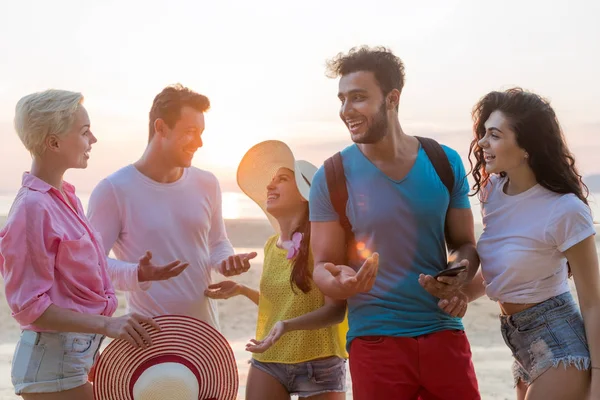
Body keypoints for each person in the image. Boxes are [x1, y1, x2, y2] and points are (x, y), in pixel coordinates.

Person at [308, 46, 481, 399]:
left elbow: (465, 244)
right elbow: (322, 265)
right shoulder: (332, 175)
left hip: (443, 331)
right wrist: (339, 282)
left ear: (392, 98)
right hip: (375, 340)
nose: (346, 111)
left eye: (358, 98)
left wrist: (456, 276)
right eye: (342, 99)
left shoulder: (443, 161)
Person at [0, 89, 188, 399]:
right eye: (85, 132)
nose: (94, 140)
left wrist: (139, 275)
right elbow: (31, 309)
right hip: (52, 366)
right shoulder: (32, 208)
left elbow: (77, 282)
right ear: (54, 142)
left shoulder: (67, 199)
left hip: (77, 357)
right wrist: (108, 325)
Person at [422, 88, 600, 400]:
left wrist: (598, 379)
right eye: (483, 133)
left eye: (494, 135)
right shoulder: (493, 192)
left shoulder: (566, 210)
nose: (482, 143)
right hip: (520, 346)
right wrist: (459, 293)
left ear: (526, 147)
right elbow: (502, 275)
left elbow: (593, 302)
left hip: (560, 345)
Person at [87, 84, 256, 331]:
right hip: (149, 337)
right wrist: (138, 273)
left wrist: (226, 261)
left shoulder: (207, 183)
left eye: (201, 132)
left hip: (205, 334)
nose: (199, 142)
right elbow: (91, 264)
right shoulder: (113, 190)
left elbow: (217, 242)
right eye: (190, 131)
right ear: (160, 128)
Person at [205, 140, 348, 399]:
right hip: (269, 358)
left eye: (281, 179)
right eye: (271, 180)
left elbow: (336, 310)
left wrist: (288, 326)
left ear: (306, 194)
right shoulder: (271, 246)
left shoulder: (324, 241)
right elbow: (282, 308)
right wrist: (241, 289)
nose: (270, 186)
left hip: (320, 363)